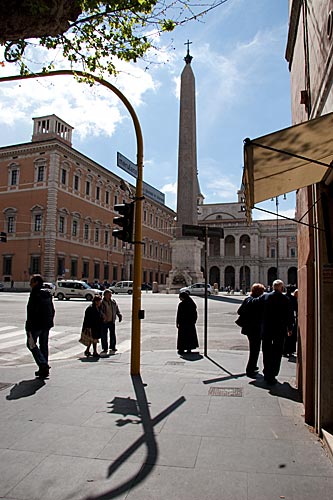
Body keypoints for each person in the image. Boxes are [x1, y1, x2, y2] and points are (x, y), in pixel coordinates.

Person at [256, 279, 294, 385]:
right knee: (277, 353)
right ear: (282, 288)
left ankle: (267, 372)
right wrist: (290, 328)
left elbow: (256, 310)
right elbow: (289, 316)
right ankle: (273, 374)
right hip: (280, 330)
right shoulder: (285, 299)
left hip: (266, 329)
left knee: (266, 351)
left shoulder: (264, 297)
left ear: (272, 287)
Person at [25, 274, 55, 378]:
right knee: (44, 345)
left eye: (32, 281)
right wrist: (50, 321)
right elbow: (52, 309)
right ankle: (44, 370)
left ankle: (43, 364)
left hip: (36, 324)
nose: (30, 284)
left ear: (36, 282)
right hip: (46, 324)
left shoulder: (35, 293)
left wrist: (28, 325)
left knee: (31, 345)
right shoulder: (47, 293)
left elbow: (31, 311)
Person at [237, 282, 265, 377]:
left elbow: (239, 311)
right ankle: (250, 369)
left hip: (248, 328)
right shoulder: (258, 301)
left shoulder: (247, 299)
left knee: (254, 348)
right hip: (256, 328)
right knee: (255, 349)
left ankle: (253, 366)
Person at [100, 289, 122, 355]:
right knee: (104, 335)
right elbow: (100, 311)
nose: (110, 296)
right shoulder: (102, 302)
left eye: (111, 295)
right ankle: (105, 348)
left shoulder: (113, 301)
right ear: (105, 295)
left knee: (112, 334)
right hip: (104, 321)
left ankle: (113, 346)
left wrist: (119, 315)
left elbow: (116, 309)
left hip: (112, 321)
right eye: (109, 295)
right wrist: (103, 315)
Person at [283, 285, 298, 357]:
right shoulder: (293, 298)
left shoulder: (283, 298)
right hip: (291, 318)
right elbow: (296, 309)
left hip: (283, 319)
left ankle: (284, 350)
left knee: (285, 336)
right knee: (292, 336)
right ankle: (290, 350)